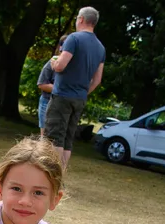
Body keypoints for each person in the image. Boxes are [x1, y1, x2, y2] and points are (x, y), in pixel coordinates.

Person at [45, 7, 105, 170]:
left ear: (81, 19)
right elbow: (97, 79)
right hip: (80, 98)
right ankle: (61, 173)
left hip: (62, 95)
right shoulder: (100, 48)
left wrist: (54, 63)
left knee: (55, 136)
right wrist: (83, 93)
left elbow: (60, 66)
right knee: (67, 139)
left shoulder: (74, 39)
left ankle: (52, 174)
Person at [36, 37, 68, 135]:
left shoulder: (75, 66)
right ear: (61, 47)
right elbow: (42, 84)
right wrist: (63, 89)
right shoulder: (52, 62)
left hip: (65, 105)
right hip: (47, 102)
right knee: (45, 137)